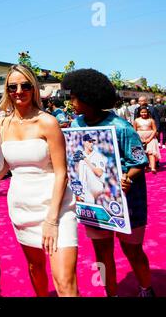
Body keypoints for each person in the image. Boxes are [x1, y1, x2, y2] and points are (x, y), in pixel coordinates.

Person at [62, 68, 155, 297]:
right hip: (93, 204)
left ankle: (146, 289)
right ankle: (110, 293)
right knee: (102, 254)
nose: (71, 101)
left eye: (74, 96)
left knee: (132, 251)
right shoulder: (76, 126)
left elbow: (138, 161)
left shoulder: (121, 127)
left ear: (89, 97)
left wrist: (127, 177)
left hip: (127, 203)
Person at [0, 64, 78, 297]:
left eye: (25, 85)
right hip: (21, 207)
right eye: (13, 86)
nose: (19, 91)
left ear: (34, 88)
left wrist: (52, 220)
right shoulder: (2, 124)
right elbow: (3, 168)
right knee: (35, 267)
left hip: (56, 208)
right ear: (7, 90)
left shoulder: (48, 122)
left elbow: (62, 173)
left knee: (64, 282)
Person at [74, 134, 107, 203]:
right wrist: (76, 163)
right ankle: (81, 195)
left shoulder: (97, 156)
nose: (91, 143)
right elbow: (78, 172)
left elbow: (99, 173)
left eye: (92, 142)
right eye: (89, 141)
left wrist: (85, 159)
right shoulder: (82, 154)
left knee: (85, 166)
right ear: (84, 142)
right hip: (87, 189)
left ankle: (81, 194)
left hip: (97, 185)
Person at [133, 107, 161, 174]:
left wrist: (149, 139)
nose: (143, 114)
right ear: (139, 113)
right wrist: (138, 139)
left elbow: (154, 130)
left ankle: (153, 168)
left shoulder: (151, 120)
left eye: (145, 112)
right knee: (143, 153)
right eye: (142, 112)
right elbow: (134, 130)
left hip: (151, 138)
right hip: (140, 138)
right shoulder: (136, 120)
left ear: (148, 112)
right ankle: (145, 167)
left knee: (151, 152)